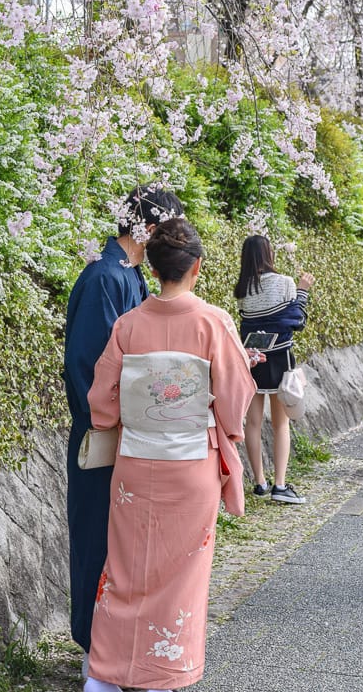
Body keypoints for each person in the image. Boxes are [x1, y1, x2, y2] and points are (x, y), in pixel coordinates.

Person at [84, 217, 256, 692]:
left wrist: (127, 420)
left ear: (155, 268)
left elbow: (102, 401)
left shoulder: (129, 323)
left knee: (124, 568)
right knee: (181, 575)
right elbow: (237, 394)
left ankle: (105, 675)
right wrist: (222, 423)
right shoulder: (213, 321)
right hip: (190, 467)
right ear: (195, 267)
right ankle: (165, 673)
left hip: (136, 465)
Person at [64, 183, 184, 670]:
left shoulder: (128, 276)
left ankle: (116, 645)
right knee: (98, 535)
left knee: (122, 541)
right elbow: (87, 365)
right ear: (148, 229)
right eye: (169, 231)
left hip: (129, 432)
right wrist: (117, 418)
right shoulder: (104, 278)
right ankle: (98, 646)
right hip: (108, 432)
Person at [234, 235, 315, 504]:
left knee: (253, 423)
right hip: (280, 358)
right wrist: (303, 290)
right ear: (269, 254)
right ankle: (280, 485)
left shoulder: (243, 289)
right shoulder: (285, 283)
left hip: (253, 359)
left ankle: (259, 482)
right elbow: (297, 320)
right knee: (281, 423)